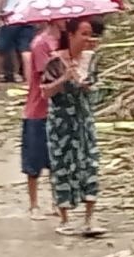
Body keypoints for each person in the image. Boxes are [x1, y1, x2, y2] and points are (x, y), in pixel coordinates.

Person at [41, 17, 105, 235]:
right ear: (71, 35)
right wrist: (64, 80)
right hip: (61, 123)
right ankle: (65, 219)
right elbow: (45, 92)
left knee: (90, 163)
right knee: (62, 166)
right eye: (83, 34)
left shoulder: (91, 59)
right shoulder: (55, 61)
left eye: (90, 34)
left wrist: (88, 87)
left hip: (84, 120)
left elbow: (98, 87)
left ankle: (90, 218)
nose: (88, 39)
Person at [21, 18, 65, 220]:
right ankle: (33, 205)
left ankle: (57, 202)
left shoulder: (63, 42)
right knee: (34, 162)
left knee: (56, 160)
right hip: (38, 109)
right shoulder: (41, 44)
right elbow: (46, 75)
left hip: (57, 110)